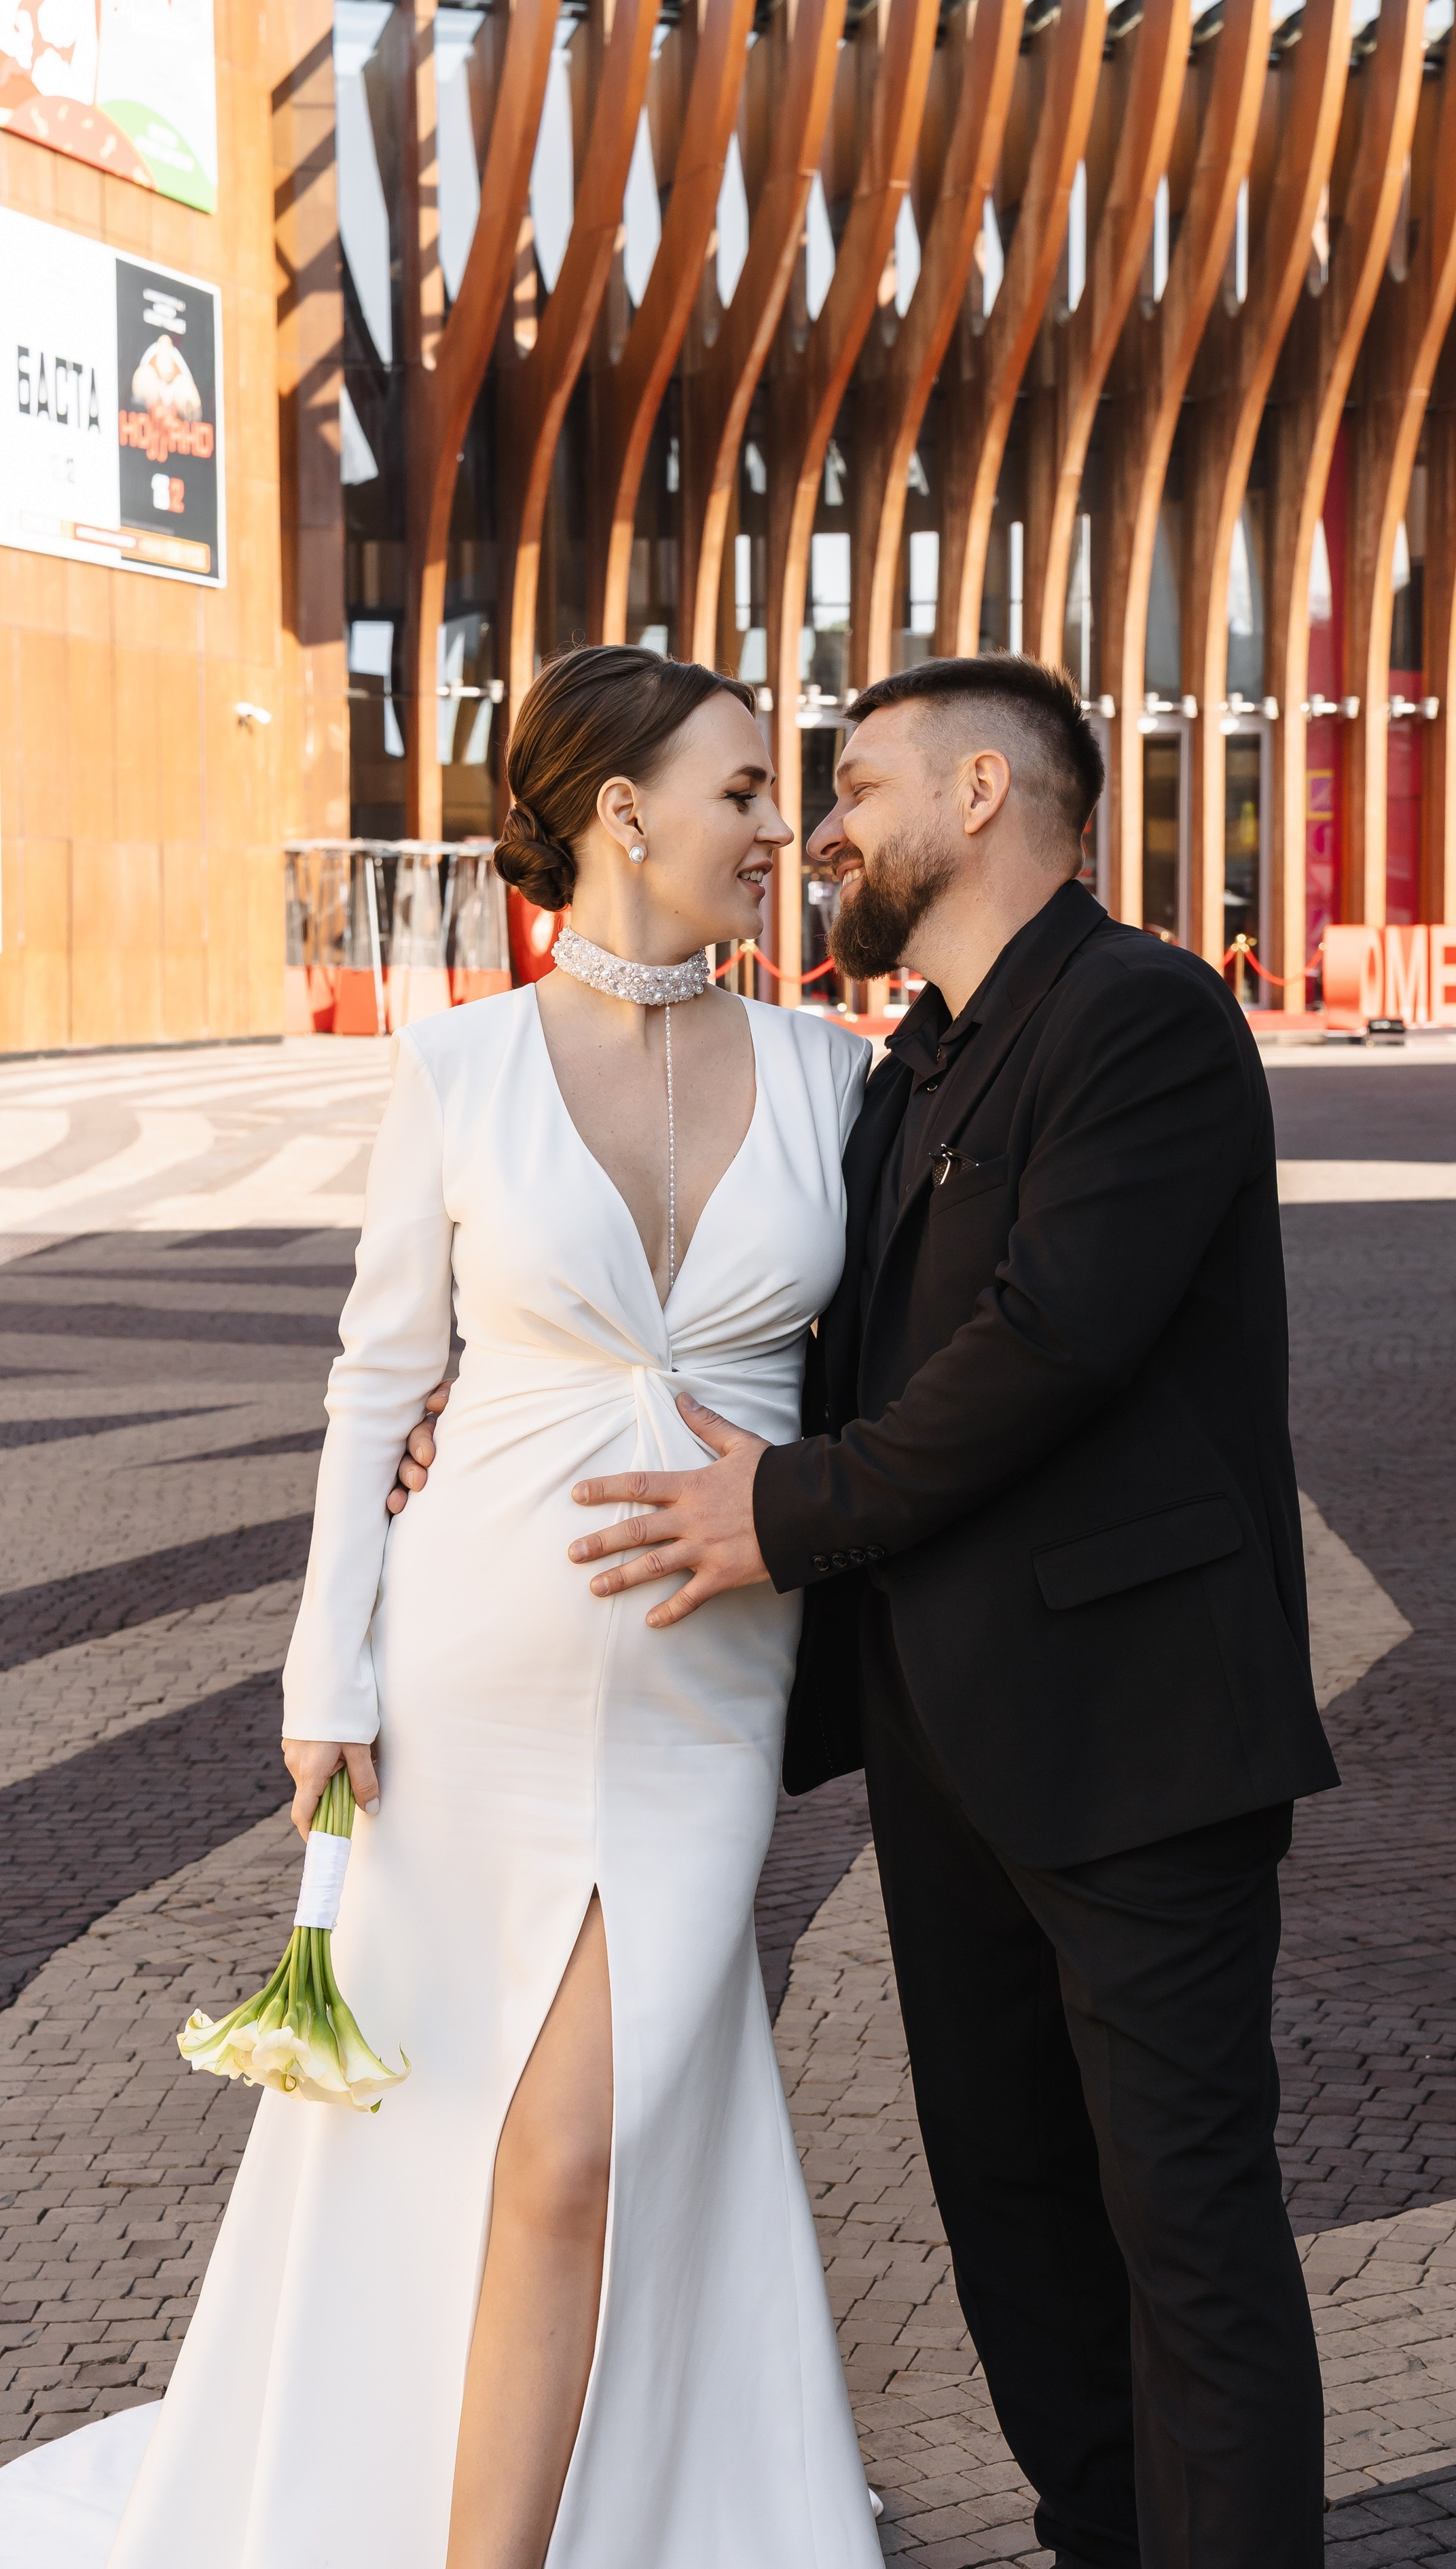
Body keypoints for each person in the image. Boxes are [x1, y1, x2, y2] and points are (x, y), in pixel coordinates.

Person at [0, 645, 886, 2569]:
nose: (776, 830)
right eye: (742, 791)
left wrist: (810, 1478)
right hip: (473, 1644)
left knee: (590, 2133)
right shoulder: (459, 1065)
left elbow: (903, 1377)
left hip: (707, 1674)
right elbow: (377, 1382)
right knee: (479, 2124)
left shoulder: (840, 1074)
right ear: (623, 814)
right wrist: (333, 1661)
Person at [530, 655, 1343, 2568]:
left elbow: (1045, 1346)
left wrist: (783, 1517)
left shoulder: (1142, 1017)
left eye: (854, 782)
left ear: (981, 796)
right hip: (949, 1748)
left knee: (1187, 2234)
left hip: (1140, 1741)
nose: (822, 825)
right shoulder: (913, 1067)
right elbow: (828, 1357)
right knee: (1014, 2223)